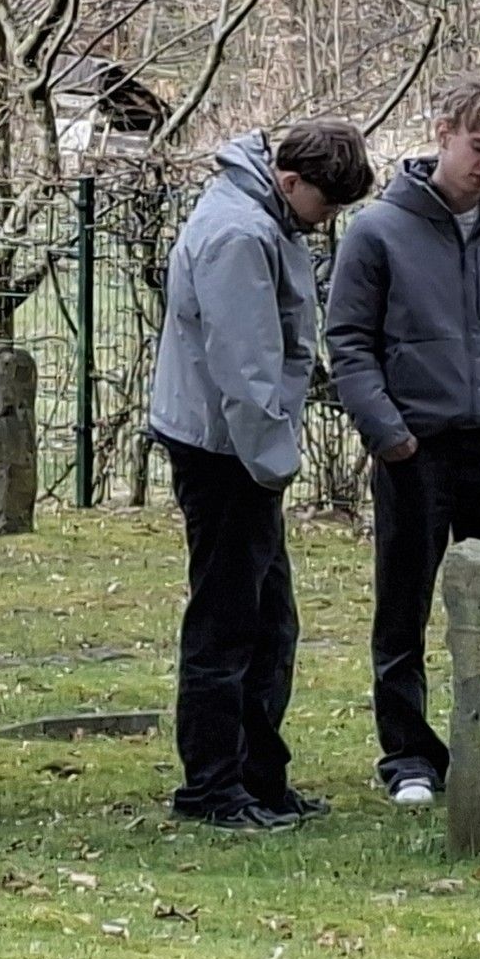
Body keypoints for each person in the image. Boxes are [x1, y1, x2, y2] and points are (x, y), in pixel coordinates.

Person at [326, 76, 480, 807]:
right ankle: (408, 757)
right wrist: (389, 433)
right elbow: (348, 341)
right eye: (479, 146)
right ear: (443, 134)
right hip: (414, 452)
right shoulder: (376, 231)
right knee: (403, 609)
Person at [146, 117, 377, 828]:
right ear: (290, 180)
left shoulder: (259, 218)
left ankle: (258, 777)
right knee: (229, 623)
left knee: (270, 620)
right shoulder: (241, 235)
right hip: (226, 453)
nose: (327, 220)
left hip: (235, 447)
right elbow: (244, 369)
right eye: (326, 204)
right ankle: (213, 788)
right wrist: (274, 464)